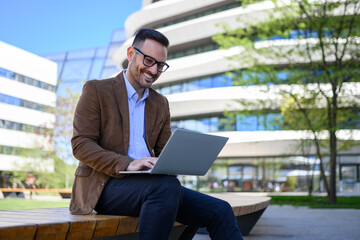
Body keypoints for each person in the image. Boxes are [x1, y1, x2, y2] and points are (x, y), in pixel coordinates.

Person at [70, 28, 243, 240]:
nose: (154, 70)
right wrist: (127, 163)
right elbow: (81, 144)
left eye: (160, 65)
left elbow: (164, 150)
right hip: (104, 186)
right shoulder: (97, 90)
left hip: (154, 186)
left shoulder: (160, 103)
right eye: (149, 61)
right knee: (166, 188)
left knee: (220, 210)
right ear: (131, 54)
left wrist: (183, 159)